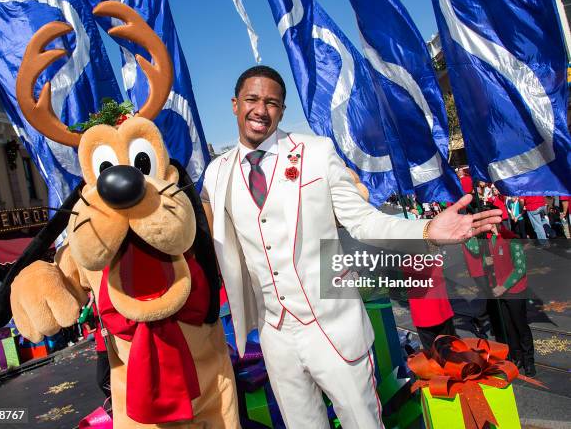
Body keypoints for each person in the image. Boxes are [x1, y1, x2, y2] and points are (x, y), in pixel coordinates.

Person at [201, 66, 502, 429]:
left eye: (272, 103)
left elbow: (364, 221)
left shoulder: (315, 152)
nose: (260, 110)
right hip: (274, 333)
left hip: (332, 327)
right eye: (252, 99)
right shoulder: (217, 174)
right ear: (235, 105)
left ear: (282, 110)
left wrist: (427, 229)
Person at [489, 224, 535, 376]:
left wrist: (504, 286)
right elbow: (487, 262)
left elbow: (520, 269)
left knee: (520, 326)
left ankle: (529, 361)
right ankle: (517, 357)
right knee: (509, 327)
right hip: (500, 292)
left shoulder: (512, 239)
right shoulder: (490, 239)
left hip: (515, 291)